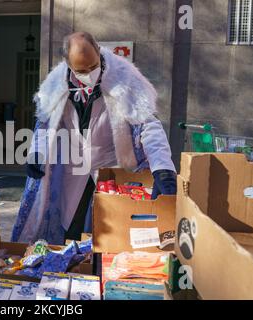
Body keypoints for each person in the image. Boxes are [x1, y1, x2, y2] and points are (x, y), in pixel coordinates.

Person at [12, 32, 177, 245]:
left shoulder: (125, 78)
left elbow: (149, 125)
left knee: (110, 232)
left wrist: (163, 168)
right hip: (75, 171)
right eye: (81, 70)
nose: (89, 74)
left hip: (112, 168)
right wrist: (37, 152)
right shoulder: (56, 85)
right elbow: (45, 124)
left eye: (93, 67)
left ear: (98, 51)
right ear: (68, 65)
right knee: (72, 230)